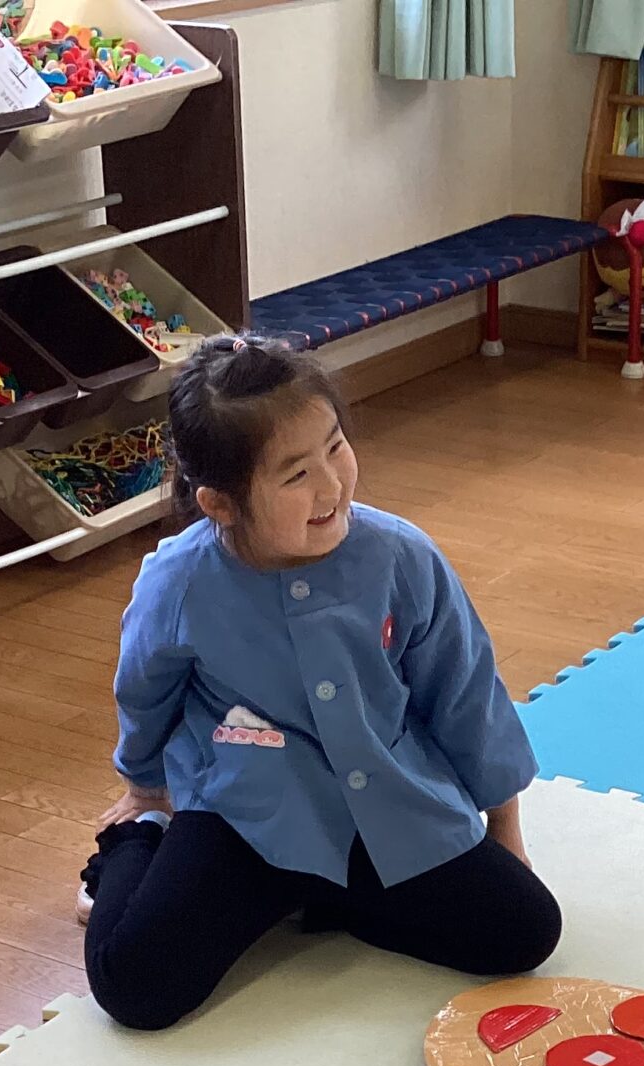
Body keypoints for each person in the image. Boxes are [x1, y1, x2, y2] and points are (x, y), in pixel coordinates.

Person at [80, 335, 561, 1030]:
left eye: (336, 448)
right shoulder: (180, 580)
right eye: (296, 475)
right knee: (134, 988)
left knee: (525, 932)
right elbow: (144, 687)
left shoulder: (400, 556)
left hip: (390, 806)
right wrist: (145, 790)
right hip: (246, 816)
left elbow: (465, 692)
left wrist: (503, 828)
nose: (331, 486)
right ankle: (139, 851)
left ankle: (322, 897)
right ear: (220, 504)